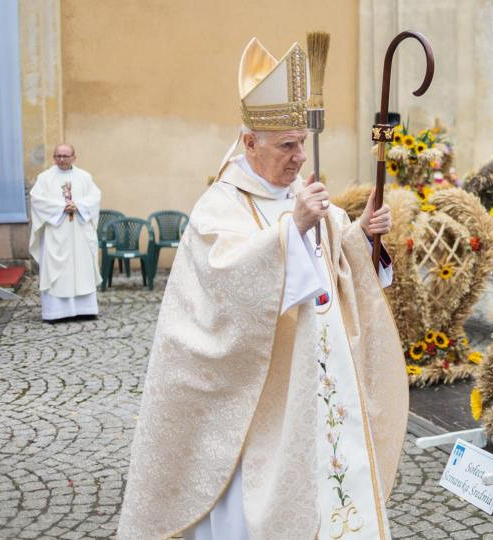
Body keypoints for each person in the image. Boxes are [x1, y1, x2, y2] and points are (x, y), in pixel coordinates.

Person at [118, 38, 407, 539]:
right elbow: (226, 282)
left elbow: (334, 256)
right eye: (286, 146)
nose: (299, 157)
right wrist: (291, 230)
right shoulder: (220, 205)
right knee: (257, 498)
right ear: (249, 143)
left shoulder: (301, 194)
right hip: (255, 394)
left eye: (301, 143)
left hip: (318, 378)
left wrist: (361, 233)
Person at [28, 144, 101, 321]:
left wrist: (79, 206)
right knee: (58, 272)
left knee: (82, 269)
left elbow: (95, 197)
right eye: (58, 156)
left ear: (74, 157)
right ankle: (56, 312)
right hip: (56, 232)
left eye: (65, 156)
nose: (61, 159)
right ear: (54, 157)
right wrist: (61, 207)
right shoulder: (44, 178)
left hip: (79, 232)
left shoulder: (84, 177)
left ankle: (85, 310)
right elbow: (36, 200)